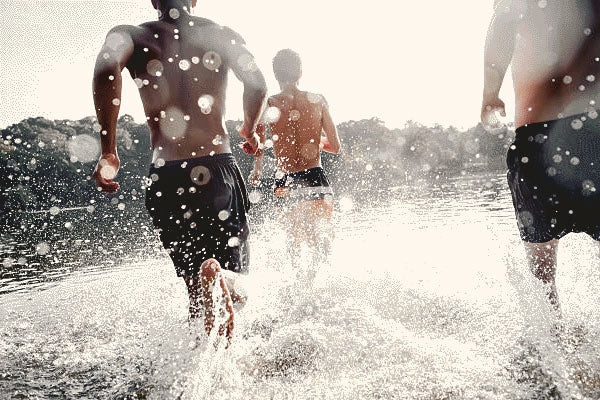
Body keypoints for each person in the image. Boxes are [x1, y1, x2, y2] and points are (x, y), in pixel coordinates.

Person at [91, 0, 267, 344]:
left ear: (155, 1)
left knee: (194, 291)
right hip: (216, 171)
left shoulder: (130, 35)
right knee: (238, 285)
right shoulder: (221, 34)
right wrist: (250, 128)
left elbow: (106, 68)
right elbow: (257, 83)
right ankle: (223, 280)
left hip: (165, 178)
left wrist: (108, 148)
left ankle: (193, 372)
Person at [482, 0, 600, 312]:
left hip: (536, 140)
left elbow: (502, 24)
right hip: (593, 131)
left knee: (542, 277)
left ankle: (551, 349)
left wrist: (490, 94)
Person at [247, 49, 341, 265]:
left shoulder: (269, 104)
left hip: (286, 182)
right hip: (315, 178)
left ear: (275, 75)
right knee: (322, 243)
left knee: (293, 244)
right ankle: (318, 288)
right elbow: (335, 147)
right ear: (300, 72)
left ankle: (297, 291)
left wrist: (257, 170)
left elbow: (258, 145)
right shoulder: (318, 101)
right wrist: (315, 141)